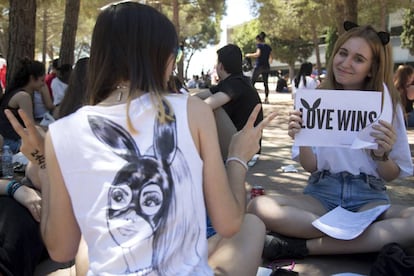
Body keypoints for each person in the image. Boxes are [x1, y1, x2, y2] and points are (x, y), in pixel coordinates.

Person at [6, 2, 276, 275]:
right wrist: (237, 158)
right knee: (251, 227)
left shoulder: (61, 133)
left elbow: (61, 250)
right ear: (161, 56)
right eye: (176, 53)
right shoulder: (191, 110)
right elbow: (229, 223)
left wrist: (42, 162)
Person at [247, 21, 414, 261]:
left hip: (369, 198)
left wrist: (382, 155)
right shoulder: (315, 99)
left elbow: (390, 174)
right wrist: (302, 137)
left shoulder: (388, 105)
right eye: (342, 53)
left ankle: (303, 246)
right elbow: (310, 166)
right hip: (321, 195)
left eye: (358, 59)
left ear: (371, 68)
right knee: (256, 207)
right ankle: (361, 239)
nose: (345, 63)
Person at [204, 44, 264, 164]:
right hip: (247, 145)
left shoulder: (236, 83)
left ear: (220, 66)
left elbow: (207, 104)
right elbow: (200, 97)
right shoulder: (236, 81)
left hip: (242, 151)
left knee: (212, 109)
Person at [0, 58, 46, 153]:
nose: (43, 84)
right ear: (32, 78)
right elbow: (31, 127)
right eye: (42, 80)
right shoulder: (23, 96)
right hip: (12, 143)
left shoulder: (14, 92)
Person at [246, 31, 273, 104]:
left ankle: (250, 98)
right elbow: (271, 58)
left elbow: (258, 54)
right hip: (266, 66)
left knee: (252, 82)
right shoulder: (268, 47)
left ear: (258, 39)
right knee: (265, 83)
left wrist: (249, 55)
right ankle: (266, 99)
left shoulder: (259, 46)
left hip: (259, 66)